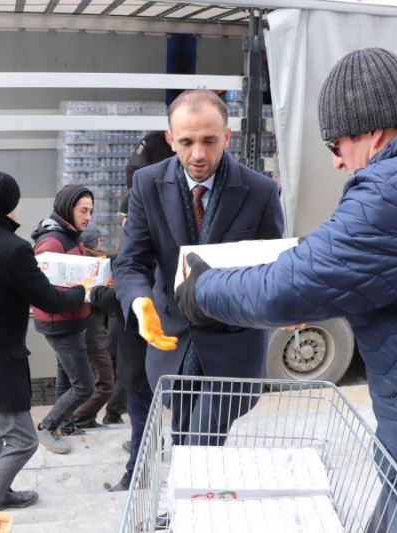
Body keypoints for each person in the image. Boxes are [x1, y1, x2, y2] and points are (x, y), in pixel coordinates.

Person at [175, 48, 397, 531]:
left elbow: (286, 290)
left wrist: (203, 289)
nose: (339, 164)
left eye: (335, 147)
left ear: (371, 133)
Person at [113, 89, 284, 446]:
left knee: (200, 445)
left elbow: (271, 268)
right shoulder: (147, 184)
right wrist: (138, 301)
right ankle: (192, 497)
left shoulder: (261, 191)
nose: (198, 154)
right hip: (172, 339)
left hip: (232, 345)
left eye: (209, 140)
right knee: (182, 436)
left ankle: (192, 495)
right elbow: (131, 260)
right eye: (187, 142)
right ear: (170, 139)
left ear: (227, 136)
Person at [0, 171, 86, 511]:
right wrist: (86, 289)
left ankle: (0, 491)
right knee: (24, 441)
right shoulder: (13, 249)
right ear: (12, 204)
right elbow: (51, 301)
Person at [31, 184, 96, 453]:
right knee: (84, 385)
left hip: (72, 318)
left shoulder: (71, 235)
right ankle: (48, 426)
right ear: (68, 208)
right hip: (60, 322)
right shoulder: (52, 241)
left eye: (91, 211)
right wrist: (85, 287)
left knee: (66, 376)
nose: (88, 216)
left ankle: (64, 424)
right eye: (84, 210)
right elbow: (44, 288)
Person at [97, 194, 153, 492]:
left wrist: (98, 294)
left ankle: (136, 474)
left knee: (142, 415)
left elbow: (122, 297)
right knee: (143, 417)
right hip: (146, 354)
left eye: (127, 219)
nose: (124, 224)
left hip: (142, 353)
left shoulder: (140, 256)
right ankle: (140, 452)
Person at [69, 222, 115, 429]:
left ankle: (86, 419)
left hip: (92, 332)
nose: (103, 242)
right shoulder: (91, 267)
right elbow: (98, 300)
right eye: (99, 239)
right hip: (92, 335)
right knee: (105, 384)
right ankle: (78, 419)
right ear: (89, 243)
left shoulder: (96, 262)